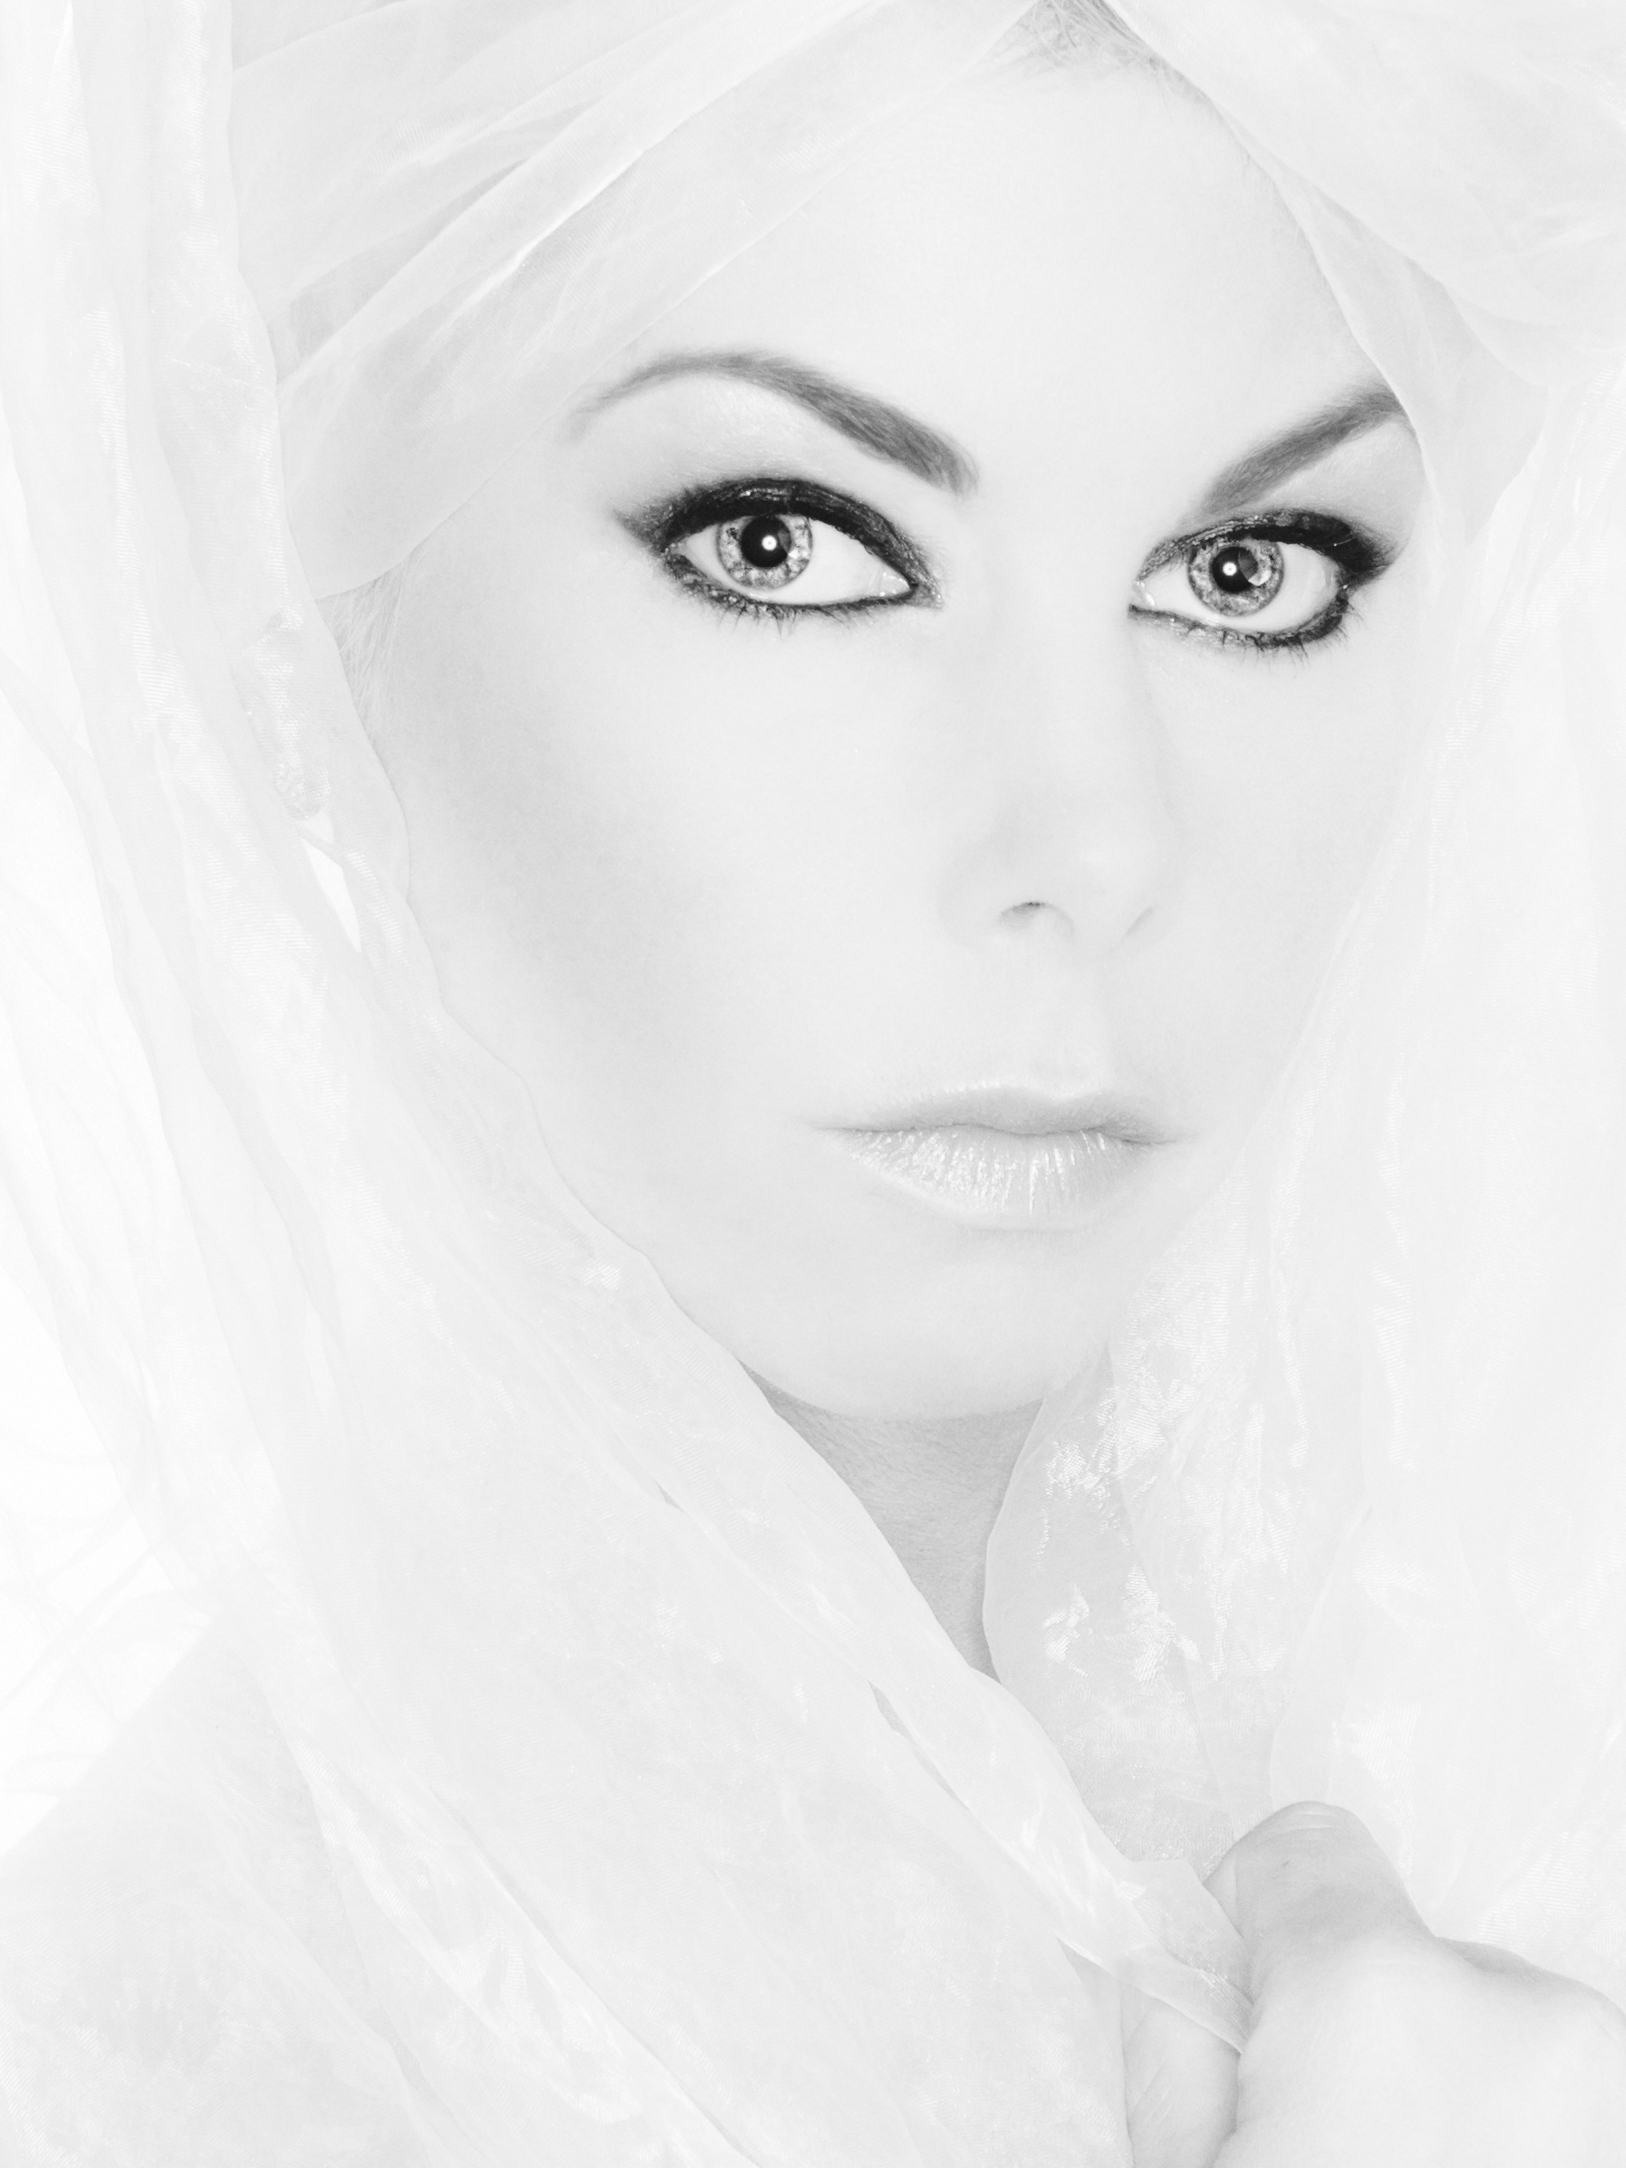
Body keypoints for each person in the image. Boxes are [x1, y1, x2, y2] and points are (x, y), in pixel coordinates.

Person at [1, 0, 1624, 2161]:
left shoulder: (1508, 1807)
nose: (1091, 839)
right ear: (288, 616)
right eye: (788, 542)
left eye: (1247, 575)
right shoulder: (138, 2079)